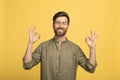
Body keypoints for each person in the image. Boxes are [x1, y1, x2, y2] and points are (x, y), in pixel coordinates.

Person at [23, 11, 97, 80]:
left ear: (68, 26)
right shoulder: (43, 46)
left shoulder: (75, 49)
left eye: (64, 23)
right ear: (53, 24)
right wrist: (30, 43)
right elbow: (27, 65)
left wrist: (92, 49)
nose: (60, 25)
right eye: (58, 22)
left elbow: (90, 68)